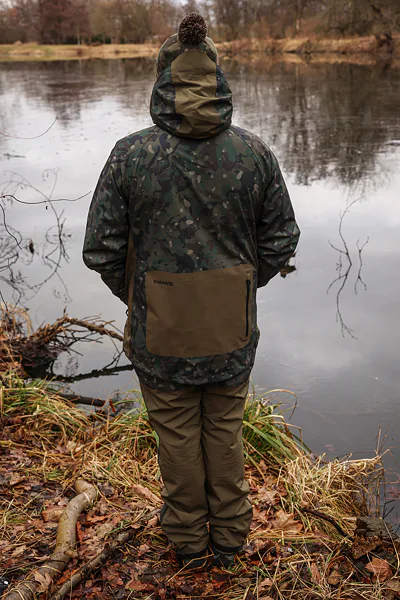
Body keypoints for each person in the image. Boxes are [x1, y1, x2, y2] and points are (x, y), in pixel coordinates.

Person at [83, 13, 300, 570]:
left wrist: (146, 298)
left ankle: (188, 543)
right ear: (217, 77)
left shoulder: (129, 154)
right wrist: (238, 288)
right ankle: (229, 541)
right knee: (224, 432)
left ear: (162, 80)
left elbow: (101, 250)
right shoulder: (253, 153)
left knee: (177, 436)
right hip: (231, 328)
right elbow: (281, 240)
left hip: (160, 331)